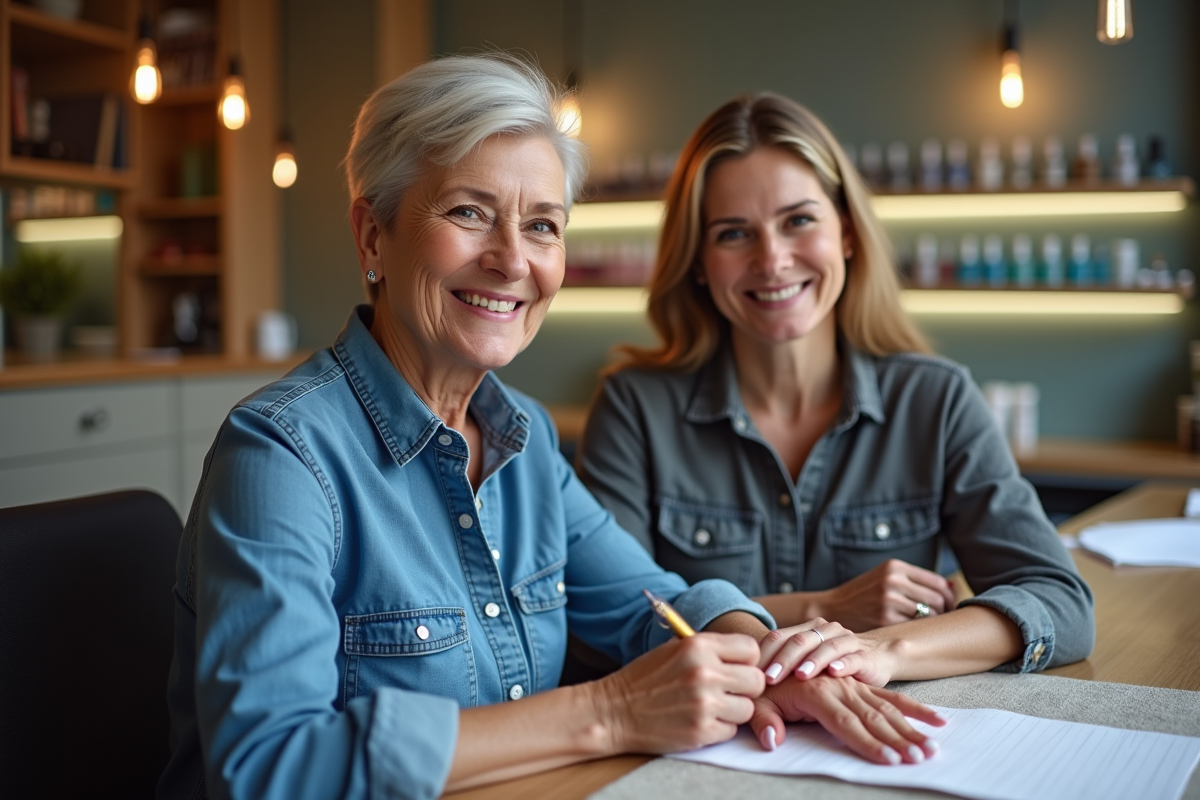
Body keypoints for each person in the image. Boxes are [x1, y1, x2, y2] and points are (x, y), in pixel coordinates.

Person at [157, 60, 944, 800]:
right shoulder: (281, 454)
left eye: (542, 225)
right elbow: (271, 766)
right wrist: (610, 710)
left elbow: (654, 605)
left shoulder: (524, 437)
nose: (512, 261)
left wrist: (771, 667)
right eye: (469, 213)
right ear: (372, 236)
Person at [577, 93, 1094, 701]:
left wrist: (884, 649)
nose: (772, 260)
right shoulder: (634, 408)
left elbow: (1060, 605)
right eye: (734, 233)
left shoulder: (937, 400)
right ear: (697, 261)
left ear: (846, 232)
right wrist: (822, 608)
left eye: (798, 220)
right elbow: (611, 617)